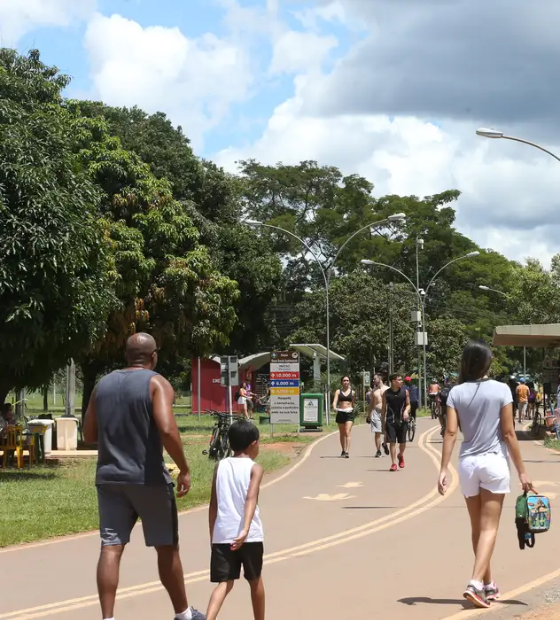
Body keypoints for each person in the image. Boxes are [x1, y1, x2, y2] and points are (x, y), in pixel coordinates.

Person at [83, 332, 205, 620]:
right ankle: (183, 614)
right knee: (166, 547)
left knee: (111, 547)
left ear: (126, 355)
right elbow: (166, 428)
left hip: (110, 477)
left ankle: (108, 618)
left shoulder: (103, 384)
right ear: (154, 356)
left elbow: (89, 434)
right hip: (148, 478)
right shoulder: (156, 382)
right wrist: (184, 468)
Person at [438, 340, 533, 609]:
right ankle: (475, 583)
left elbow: (451, 433)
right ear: (487, 363)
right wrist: (523, 471)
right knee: (490, 527)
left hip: (468, 464)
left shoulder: (456, 392)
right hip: (493, 463)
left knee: (477, 528)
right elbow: (509, 433)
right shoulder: (502, 390)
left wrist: (443, 469)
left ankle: (489, 585)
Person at [206, 420, 265, 620]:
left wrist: (212, 536)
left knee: (224, 583)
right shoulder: (255, 468)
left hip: (223, 534)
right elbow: (251, 498)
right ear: (253, 444)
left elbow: (213, 505)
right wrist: (245, 529)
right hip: (249, 536)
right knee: (255, 580)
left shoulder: (220, 466)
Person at [382, 374, 410, 472]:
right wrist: (383, 424)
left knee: (402, 442)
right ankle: (393, 463)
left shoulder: (405, 392)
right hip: (390, 421)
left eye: (401, 380)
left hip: (403, 420)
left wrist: (406, 411)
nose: (401, 381)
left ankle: (400, 455)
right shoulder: (386, 393)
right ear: (393, 381)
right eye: (399, 380)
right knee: (392, 442)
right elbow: (383, 409)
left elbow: (408, 405)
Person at [332, 376, 356, 458]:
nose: (346, 382)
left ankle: (347, 451)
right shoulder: (338, 392)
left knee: (347, 431)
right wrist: (334, 407)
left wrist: (352, 410)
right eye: (344, 380)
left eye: (347, 380)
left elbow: (353, 402)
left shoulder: (352, 392)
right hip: (341, 412)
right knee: (342, 433)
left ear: (349, 382)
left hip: (349, 413)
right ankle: (343, 449)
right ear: (342, 382)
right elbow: (335, 401)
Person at [366, 374, 389, 458]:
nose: (373, 380)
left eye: (375, 379)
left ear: (380, 378)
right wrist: (369, 414)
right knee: (377, 432)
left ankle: (385, 444)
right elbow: (371, 403)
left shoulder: (387, 389)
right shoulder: (373, 391)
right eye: (373, 379)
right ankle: (378, 450)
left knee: (386, 431)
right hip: (376, 412)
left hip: (386, 412)